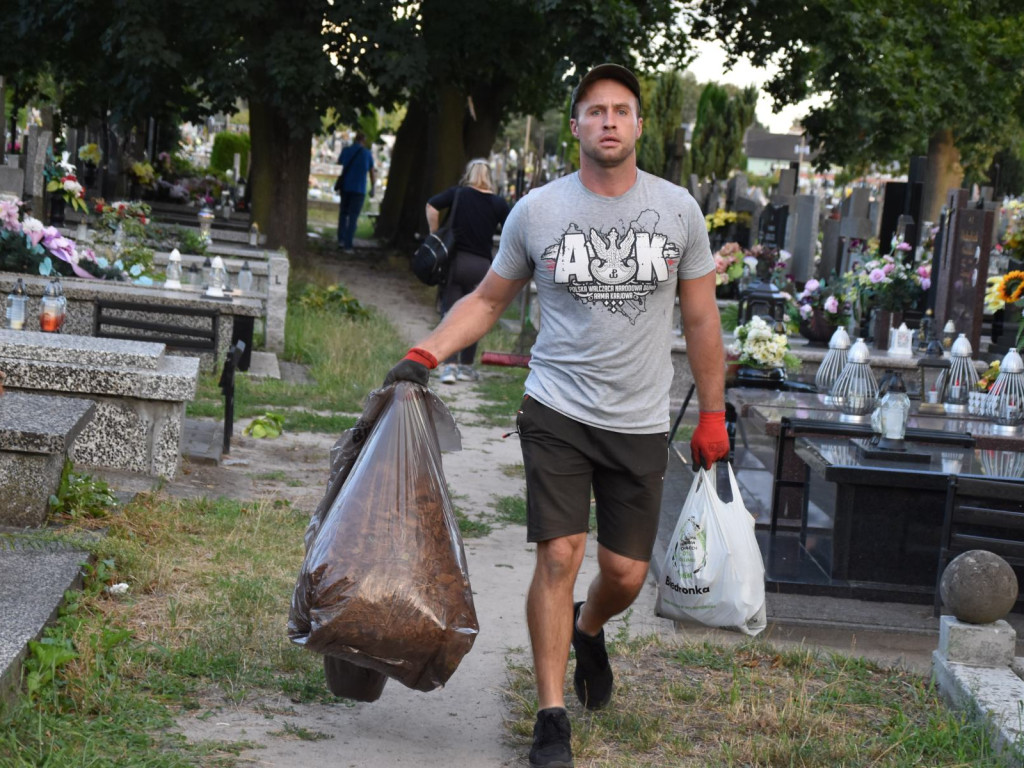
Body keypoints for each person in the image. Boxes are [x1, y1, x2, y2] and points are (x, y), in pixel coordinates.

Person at [384, 63, 729, 768]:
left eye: (621, 110)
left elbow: (699, 319)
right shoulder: (538, 211)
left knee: (627, 572)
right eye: (595, 110)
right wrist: (428, 350)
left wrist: (712, 416)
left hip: (638, 419)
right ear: (576, 127)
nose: (608, 121)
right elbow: (486, 299)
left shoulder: (678, 212)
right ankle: (551, 719)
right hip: (558, 408)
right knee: (561, 554)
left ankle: (590, 627)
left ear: (638, 125)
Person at [426, 158, 511, 384]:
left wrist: (434, 235)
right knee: (476, 315)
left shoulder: (458, 194)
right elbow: (512, 228)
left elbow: (432, 206)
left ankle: (449, 366)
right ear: (489, 177)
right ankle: (466, 366)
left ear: (469, 174)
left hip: (457, 263)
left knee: (451, 313)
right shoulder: (497, 203)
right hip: (483, 266)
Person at [334, 132, 376, 253]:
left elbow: (339, 163)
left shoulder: (347, 150)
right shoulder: (367, 154)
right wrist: (373, 187)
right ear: (364, 140)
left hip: (346, 187)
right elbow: (372, 172)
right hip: (359, 189)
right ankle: (348, 245)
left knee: (343, 214)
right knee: (353, 217)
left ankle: (341, 240)